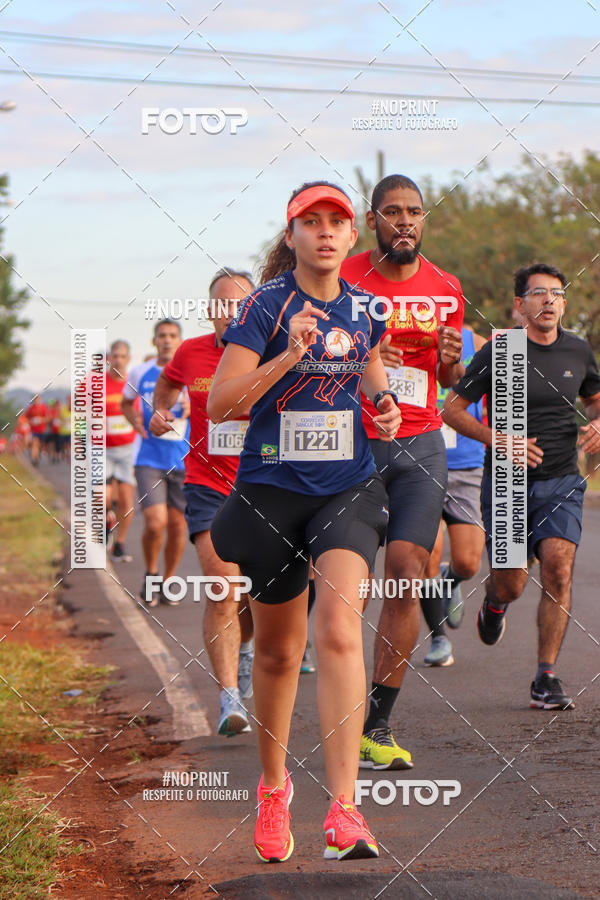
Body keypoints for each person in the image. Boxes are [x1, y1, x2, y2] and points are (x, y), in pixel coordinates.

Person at [208, 181, 401, 864]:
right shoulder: (264, 306)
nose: (325, 232)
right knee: (280, 652)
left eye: (337, 222)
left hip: (346, 488)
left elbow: (372, 379)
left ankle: (346, 810)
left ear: (355, 236)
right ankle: (272, 787)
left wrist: (384, 410)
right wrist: (287, 356)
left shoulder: (366, 309)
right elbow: (220, 406)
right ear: (290, 235)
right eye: (310, 222)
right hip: (271, 489)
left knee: (341, 628)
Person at [341, 174, 464, 769]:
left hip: (421, 444)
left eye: (415, 212)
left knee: (407, 571)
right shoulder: (345, 279)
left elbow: (450, 378)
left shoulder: (447, 286)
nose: (406, 222)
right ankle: (327, 697)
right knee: (347, 585)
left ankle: (378, 725)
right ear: (373, 222)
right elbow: (313, 363)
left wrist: (449, 362)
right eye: (393, 213)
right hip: (353, 446)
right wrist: (366, 359)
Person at [443, 263, 600, 709]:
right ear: (519, 306)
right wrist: (501, 440)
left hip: (562, 481)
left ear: (564, 304)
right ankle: (494, 603)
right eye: (538, 294)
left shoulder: (577, 350)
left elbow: (594, 399)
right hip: (507, 483)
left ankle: (545, 676)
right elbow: (452, 410)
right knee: (511, 583)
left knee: (558, 570)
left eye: (556, 294)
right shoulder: (500, 351)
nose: (549, 301)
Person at [151, 273, 256, 736]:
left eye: (240, 304)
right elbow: (167, 388)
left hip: (263, 488)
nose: (230, 311)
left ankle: (245, 648)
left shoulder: (273, 351)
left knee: (256, 599)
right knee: (223, 585)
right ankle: (229, 698)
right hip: (207, 486)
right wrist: (160, 413)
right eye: (221, 304)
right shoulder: (190, 353)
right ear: (210, 308)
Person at [422, 325, 486, 666]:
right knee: (426, 555)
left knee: (468, 562)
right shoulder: (407, 333)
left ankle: (452, 579)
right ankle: (439, 638)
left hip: (466, 463)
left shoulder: (473, 339)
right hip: (421, 459)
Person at [122, 320, 190, 603]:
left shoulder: (191, 371)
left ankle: (168, 579)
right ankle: (151, 575)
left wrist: (191, 409)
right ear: (154, 341)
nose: (166, 340)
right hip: (148, 457)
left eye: (172, 336)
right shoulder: (140, 372)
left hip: (183, 460)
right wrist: (136, 424)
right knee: (154, 522)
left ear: (180, 341)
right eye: (162, 336)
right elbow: (126, 402)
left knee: (177, 528)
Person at [105, 340, 137, 559]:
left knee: (126, 500)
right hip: (102, 449)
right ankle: (106, 523)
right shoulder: (95, 384)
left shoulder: (133, 384)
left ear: (128, 359)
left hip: (128, 449)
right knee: (103, 498)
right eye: (115, 356)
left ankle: (120, 543)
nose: (118, 360)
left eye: (122, 356)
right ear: (109, 358)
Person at [24, 396, 49, 465]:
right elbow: (26, 417)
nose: (36, 401)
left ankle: (38, 454)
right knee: (34, 442)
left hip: (42, 429)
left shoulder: (43, 408)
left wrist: (40, 420)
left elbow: (47, 418)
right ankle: (34, 459)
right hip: (33, 430)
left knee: (40, 445)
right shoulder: (30, 408)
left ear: (40, 400)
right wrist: (31, 421)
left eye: (37, 400)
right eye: (35, 400)